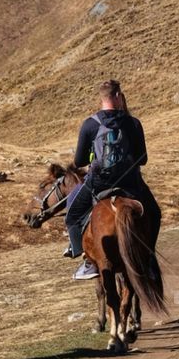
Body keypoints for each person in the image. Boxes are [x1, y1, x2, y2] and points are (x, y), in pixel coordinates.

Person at [65, 79, 161, 281]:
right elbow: (143, 159)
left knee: (72, 216)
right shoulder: (133, 123)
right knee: (155, 213)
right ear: (118, 96)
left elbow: (79, 160)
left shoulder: (90, 124)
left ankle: (88, 262)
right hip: (131, 185)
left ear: (102, 98)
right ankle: (149, 259)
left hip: (98, 184)